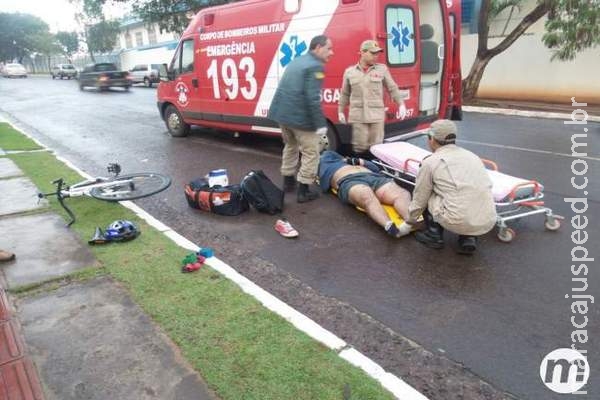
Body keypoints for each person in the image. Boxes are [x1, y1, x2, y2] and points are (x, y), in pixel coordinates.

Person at [407, 120, 497, 254]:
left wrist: (410, 220)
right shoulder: (472, 156)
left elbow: (420, 197)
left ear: (431, 139)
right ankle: (468, 239)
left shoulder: (430, 162)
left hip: (457, 220)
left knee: (428, 192)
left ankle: (434, 236)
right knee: (467, 191)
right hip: (487, 219)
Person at [268, 35, 334, 203]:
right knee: (311, 153)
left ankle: (288, 182)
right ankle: (304, 191)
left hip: (282, 115)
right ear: (318, 47)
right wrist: (320, 124)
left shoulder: (297, 61)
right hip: (300, 118)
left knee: (290, 146)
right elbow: (312, 98)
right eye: (329, 48)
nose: (331, 53)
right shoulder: (315, 66)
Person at [318, 151, 413, 238]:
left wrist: (359, 161)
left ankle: (409, 222)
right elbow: (323, 182)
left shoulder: (349, 160)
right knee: (366, 196)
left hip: (374, 177)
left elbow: (375, 168)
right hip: (349, 180)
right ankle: (389, 226)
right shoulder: (323, 163)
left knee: (402, 194)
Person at [338, 40, 408, 156]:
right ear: (363, 52)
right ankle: (360, 170)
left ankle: (375, 171)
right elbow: (345, 93)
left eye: (377, 53)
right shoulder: (350, 72)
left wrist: (401, 104)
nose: (376, 56)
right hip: (358, 116)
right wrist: (340, 111)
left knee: (377, 147)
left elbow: (392, 88)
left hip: (376, 116)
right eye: (373, 53)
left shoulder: (382, 69)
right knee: (359, 147)